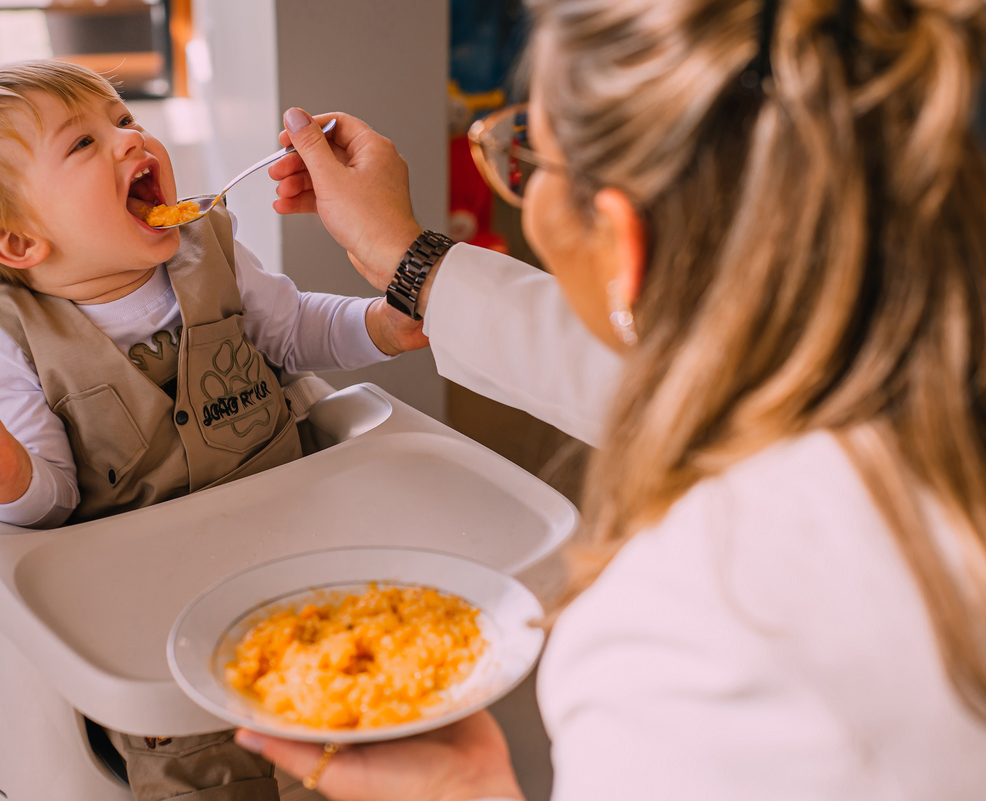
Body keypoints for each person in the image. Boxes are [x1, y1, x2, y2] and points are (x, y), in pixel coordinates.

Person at [234, 0, 986, 798]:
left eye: (533, 162)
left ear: (623, 242)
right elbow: (690, 380)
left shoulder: (689, 642)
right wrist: (406, 256)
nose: (523, 183)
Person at [0, 61, 426, 801]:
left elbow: (295, 331)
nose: (130, 140)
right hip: (153, 630)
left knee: (376, 715)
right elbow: (50, 502)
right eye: (84, 144)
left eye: (123, 119)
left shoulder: (209, 245)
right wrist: (8, 475)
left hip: (292, 560)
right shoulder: (13, 344)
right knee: (202, 767)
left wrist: (381, 322)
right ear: (19, 243)